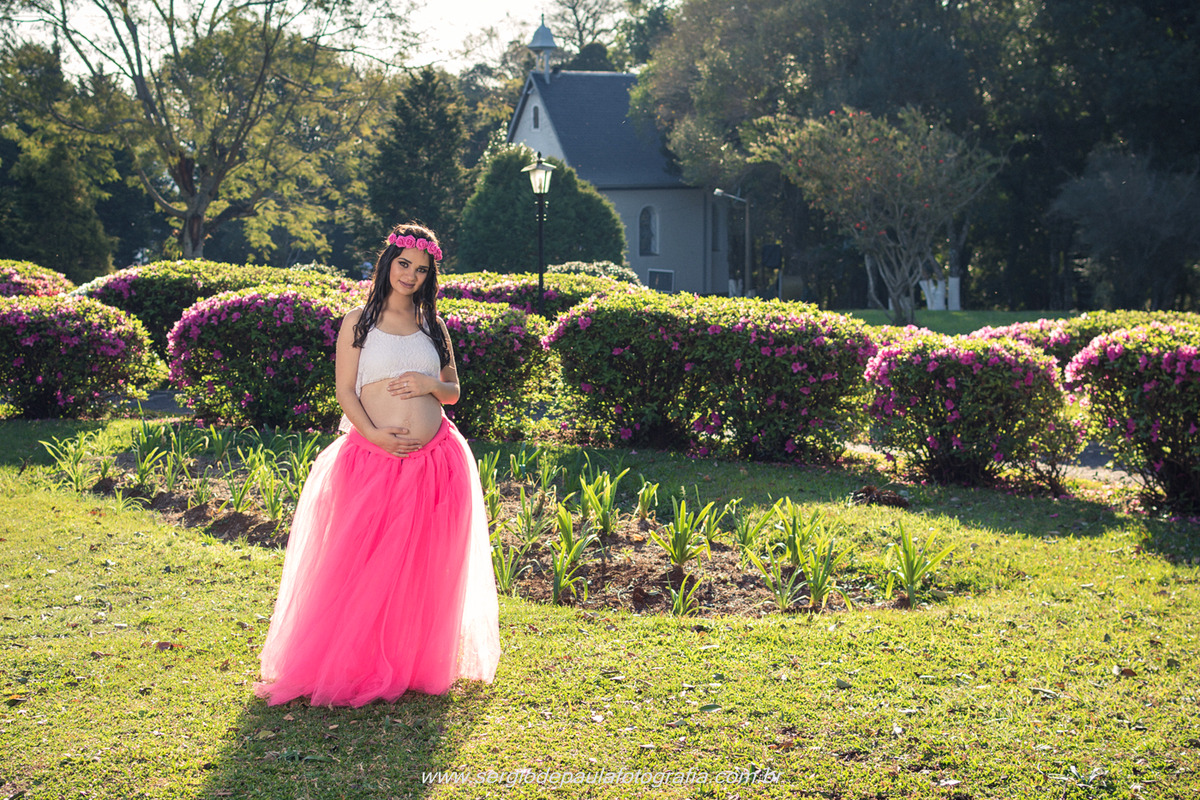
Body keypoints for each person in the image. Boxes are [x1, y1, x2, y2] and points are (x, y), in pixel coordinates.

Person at [254, 222, 501, 707]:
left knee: (425, 565)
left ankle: (411, 663)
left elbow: (453, 391)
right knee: (364, 565)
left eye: (420, 269)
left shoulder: (435, 325)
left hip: (437, 459)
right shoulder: (359, 321)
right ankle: (354, 662)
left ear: (430, 276)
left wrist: (426, 383)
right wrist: (374, 435)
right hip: (374, 457)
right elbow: (346, 390)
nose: (409, 275)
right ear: (387, 263)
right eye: (403, 264)